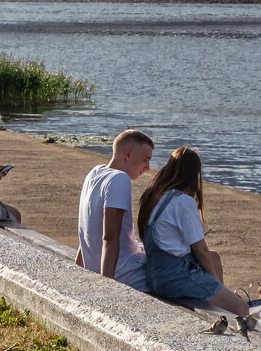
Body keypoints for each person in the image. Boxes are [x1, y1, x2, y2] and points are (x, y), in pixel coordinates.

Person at [136, 147, 248, 316]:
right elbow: (200, 250)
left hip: (157, 274)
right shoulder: (183, 201)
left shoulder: (155, 197)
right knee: (241, 307)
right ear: (194, 174)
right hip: (175, 277)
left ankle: (220, 310)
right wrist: (215, 284)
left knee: (215, 258)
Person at [74, 129, 154, 292]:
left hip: (112, 265)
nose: (148, 168)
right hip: (127, 273)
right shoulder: (119, 179)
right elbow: (109, 237)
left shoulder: (94, 173)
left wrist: (76, 271)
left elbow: (87, 231)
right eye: (145, 160)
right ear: (128, 154)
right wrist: (107, 289)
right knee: (191, 263)